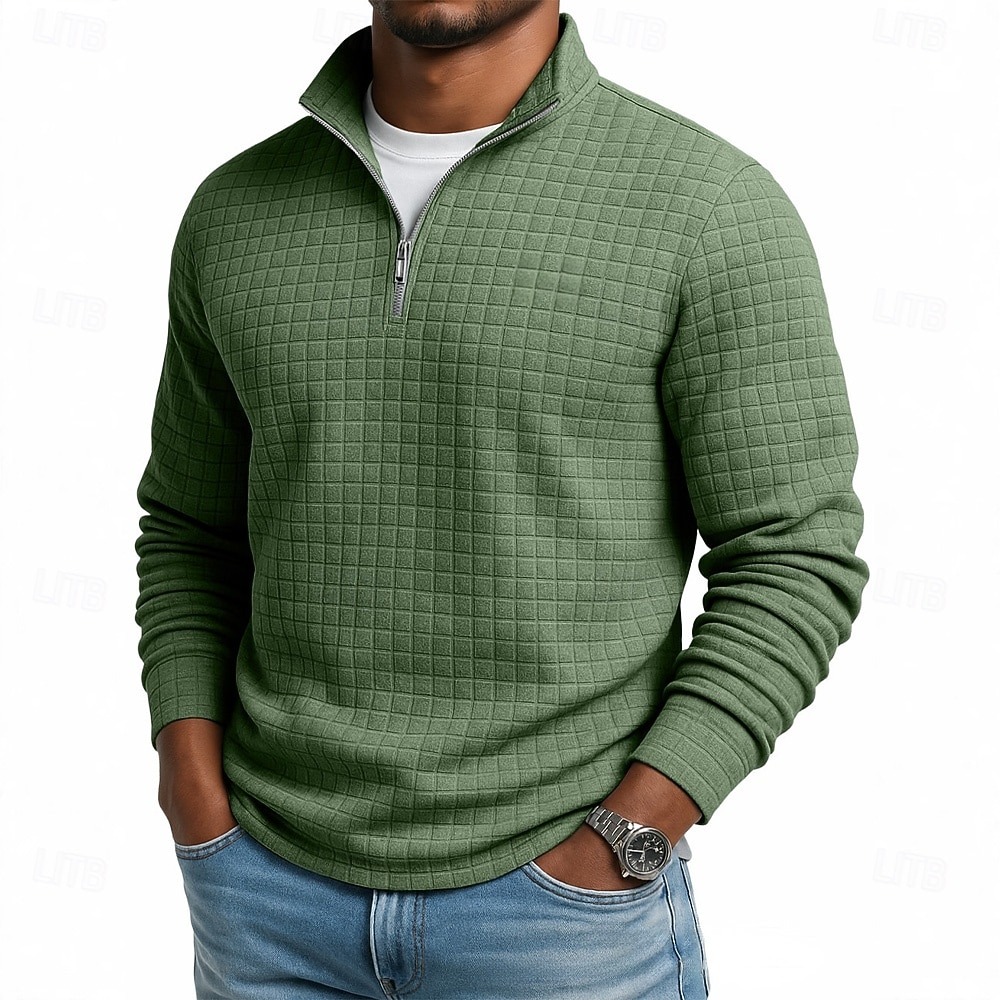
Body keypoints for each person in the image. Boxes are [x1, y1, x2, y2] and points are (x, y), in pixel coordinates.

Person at [134, 2, 869, 997]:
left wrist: (635, 831)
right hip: (266, 903)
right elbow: (190, 529)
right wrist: (192, 788)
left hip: (563, 918)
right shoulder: (235, 210)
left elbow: (793, 556)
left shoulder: (707, 206)